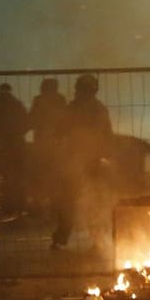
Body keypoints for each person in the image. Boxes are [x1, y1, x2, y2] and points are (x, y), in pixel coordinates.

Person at [51, 73, 113, 249]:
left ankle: (62, 239)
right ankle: (97, 240)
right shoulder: (98, 109)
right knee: (91, 200)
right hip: (85, 161)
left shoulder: (74, 108)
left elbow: (58, 132)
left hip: (78, 161)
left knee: (72, 201)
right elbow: (107, 135)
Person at [0, 83, 29, 213]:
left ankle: (11, 206)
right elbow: (25, 124)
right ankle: (19, 207)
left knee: (7, 176)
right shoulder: (17, 105)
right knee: (16, 177)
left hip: (8, 147)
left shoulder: (0, 107)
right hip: (17, 146)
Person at [28, 78, 67, 208]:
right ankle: (55, 205)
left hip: (43, 145)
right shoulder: (60, 100)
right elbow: (66, 120)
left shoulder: (38, 100)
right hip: (57, 145)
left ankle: (43, 205)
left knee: (42, 175)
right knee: (55, 176)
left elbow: (31, 120)